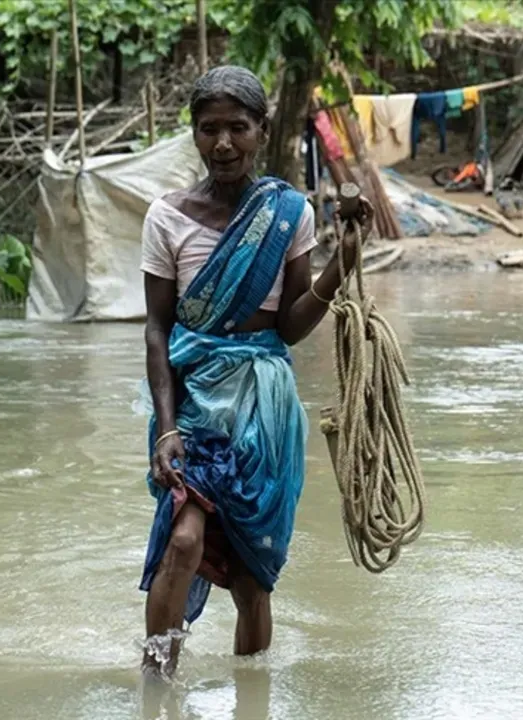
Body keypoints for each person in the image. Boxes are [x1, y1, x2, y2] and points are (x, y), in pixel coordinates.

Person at [137, 65, 370, 677]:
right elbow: (158, 329)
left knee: (249, 576)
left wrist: (339, 267)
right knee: (182, 541)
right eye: (209, 129)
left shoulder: (288, 214)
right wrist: (166, 429)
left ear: (261, 131)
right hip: (191, 402)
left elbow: (289, 327)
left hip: (263, 409)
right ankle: (156, 687)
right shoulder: (166, 217)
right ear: (193, 133)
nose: (223, 144)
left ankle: (252, 694)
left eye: (237, 128)